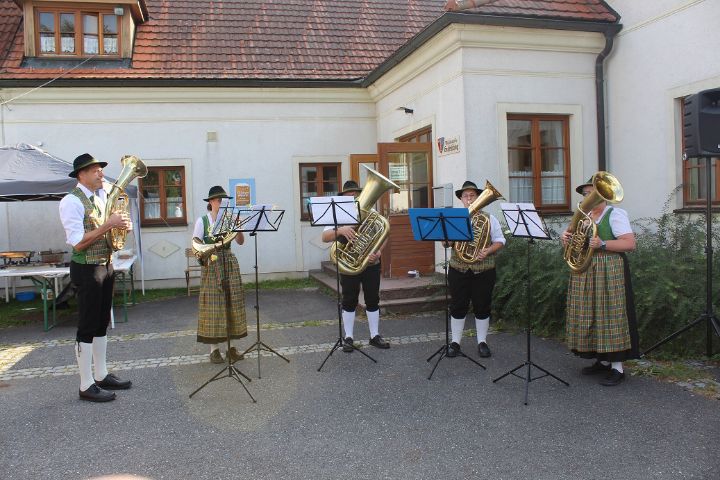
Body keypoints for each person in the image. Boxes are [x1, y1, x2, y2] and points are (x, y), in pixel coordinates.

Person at [59, 153, 133, 402]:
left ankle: (101, 375)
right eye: (95, 171)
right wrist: (108, 225)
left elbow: (111, 229)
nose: (101, 173)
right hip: (87, 268)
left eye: (100, 169)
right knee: (88, 325)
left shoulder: (103, 196)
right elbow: (78, 243)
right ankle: (85, 384)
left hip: (106, 265)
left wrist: (122, 225)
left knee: (101, 323)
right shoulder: (71, 201)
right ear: (81, 175)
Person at [560, 176, 639, 386]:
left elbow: (630, 244)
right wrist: (566, 239)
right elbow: (572, 243)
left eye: (591, 193)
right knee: (590, 314)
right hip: (585, 270)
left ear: (603, 195)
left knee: (610, 315)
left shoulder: (615, 214)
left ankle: (617, 368)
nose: (588, 197)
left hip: (608, 268)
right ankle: (600, 361)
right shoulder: (583, 217)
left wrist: (602, 243)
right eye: (586, 194)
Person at [321, 180, 390, 353]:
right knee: (349, 299)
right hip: (349, 262)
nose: (352, 196)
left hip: (370, 261)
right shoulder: (338, 213)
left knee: (372, 298)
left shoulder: (371, 212)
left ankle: (375, 335)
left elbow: (384, 233)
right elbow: (325, 237)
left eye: (355, 194)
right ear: (343, 197)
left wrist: (379, 252)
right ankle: (349, 337)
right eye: (349, 194)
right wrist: (341, 230)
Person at [444, 180, 505, 358]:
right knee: (457, 306)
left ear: (478, 197)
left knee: (482, 306)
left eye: (472, 195)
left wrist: (488, 250)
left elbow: (500, 241)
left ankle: (482, 342)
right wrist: (447, 240)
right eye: (466, 196)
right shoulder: (454, 218)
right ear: (461, 199)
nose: (469, 199)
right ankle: (455, 342)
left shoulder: (488, 218)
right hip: (458, 268)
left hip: (484, 270)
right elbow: (446, 243)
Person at [193, 186, 247, 364]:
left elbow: (240, 242)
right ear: (210, 202)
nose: (220, 202)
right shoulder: (202, 221)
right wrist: (206, 256)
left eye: (222, 200)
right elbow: (196, 245)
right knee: (214, 308)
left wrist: (238, 227)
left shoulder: (230, 219)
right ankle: (214, 350)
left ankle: (231, 348)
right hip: (212, 264)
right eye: (217, 200)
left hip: (229, 264)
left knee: (232, 304)